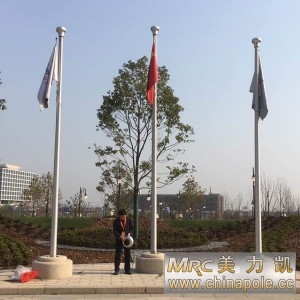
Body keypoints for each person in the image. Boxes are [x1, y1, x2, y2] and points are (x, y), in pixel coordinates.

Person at [113, 209, 133, 275]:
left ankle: (127, 270)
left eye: (125, 216)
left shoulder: (129, 220)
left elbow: (131, 228)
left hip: (127, 239)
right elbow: (115, 231)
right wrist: (119, 236)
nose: (124, 218)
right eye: (122, 217)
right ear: (119, 216)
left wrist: (130, 233)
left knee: (127, 255)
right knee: (118, 255)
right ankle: (116, 270)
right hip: (119, 239)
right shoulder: (115, 221)